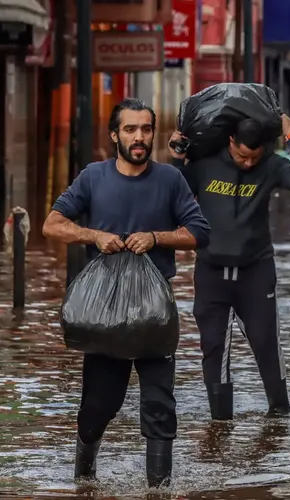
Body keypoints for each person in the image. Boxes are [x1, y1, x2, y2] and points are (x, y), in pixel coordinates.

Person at [41, 98, 211, 488]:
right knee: (99, 405)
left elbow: (199, 232)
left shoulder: (170, 179)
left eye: (146, 130)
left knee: (159, 404)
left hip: (154, 312)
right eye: (131, 130)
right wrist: (93, 235)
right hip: (103, 314)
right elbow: (52, 225)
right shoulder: (93, 177)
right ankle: (84, 478)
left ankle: (159, 489)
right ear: (115, 134)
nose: (139, 137)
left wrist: (156, 238)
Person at [169, 114, 290, 421]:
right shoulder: (205, 163)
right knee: (214, 346)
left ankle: (279, 412)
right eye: (241, 155)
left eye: (254, 157)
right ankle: (220, 420)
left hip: (256, 270)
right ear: (230, 142)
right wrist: (177, 157)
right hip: (211, 270)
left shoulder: (272, 165)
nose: (247, 163)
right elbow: (171, 191)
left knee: (266, 342)